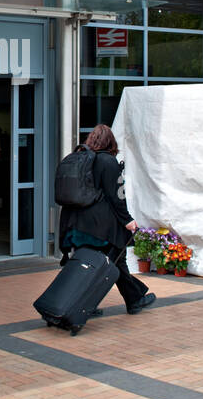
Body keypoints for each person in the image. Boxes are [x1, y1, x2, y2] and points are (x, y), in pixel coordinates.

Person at [57, 124, 156, 315]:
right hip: (101, 228)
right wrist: (127, 220)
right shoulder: (108, 162)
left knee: (87, 266)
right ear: (111, 142)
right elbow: (117, 196)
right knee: (117, 261)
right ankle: (134, 301)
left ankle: (91, 304)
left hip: (75, 225)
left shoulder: (80, 159)